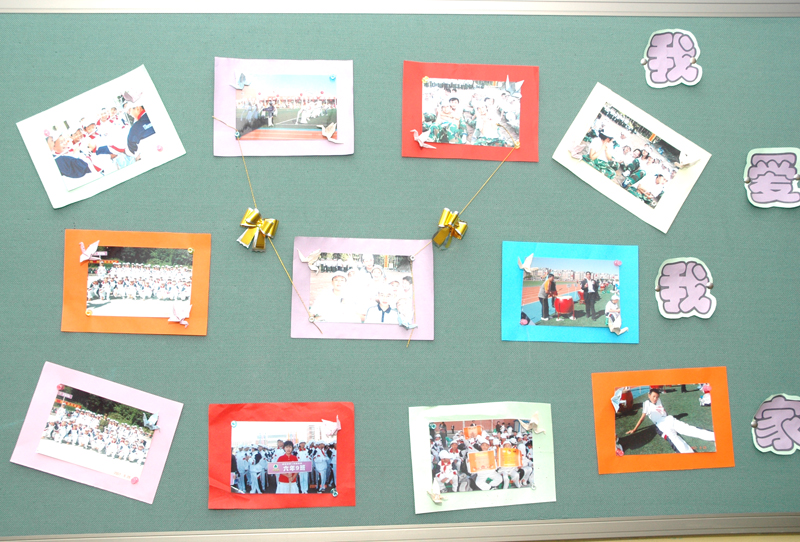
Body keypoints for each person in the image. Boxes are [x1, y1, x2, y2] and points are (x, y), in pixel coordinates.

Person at [626, 388, 716, 454]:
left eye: (657, 397)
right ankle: (690, 455)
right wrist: (634, 429)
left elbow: (663, 410)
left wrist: (669, 417)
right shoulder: (646, 404)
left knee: (690, 429)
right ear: (649, 395)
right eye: (653, 396)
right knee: (675, 440)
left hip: (669, 419)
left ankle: (715, 436)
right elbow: (642, 418)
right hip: (661, 425)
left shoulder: (658, 400)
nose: (655, 398)